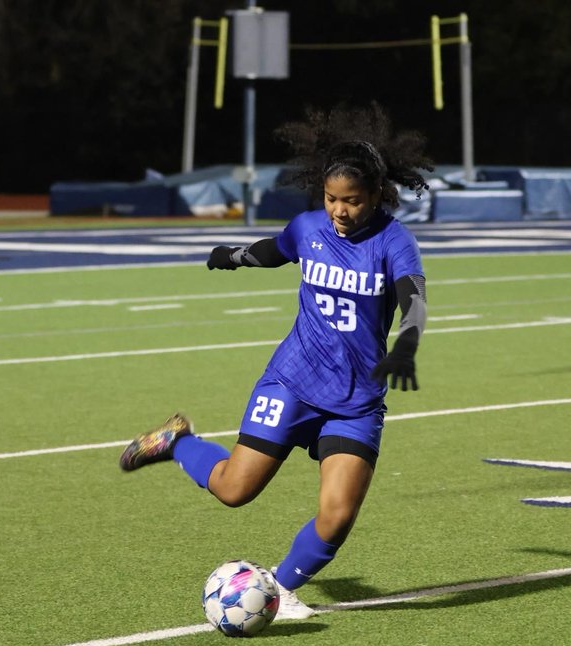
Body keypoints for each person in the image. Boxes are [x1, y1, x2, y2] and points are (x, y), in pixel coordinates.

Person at [118, 104, 433, 620]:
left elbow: (413, 299)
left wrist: (406, 344)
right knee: (234, 490)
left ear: (377, 195)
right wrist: (236, 256)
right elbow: (278, 249)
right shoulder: (309, 227)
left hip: (355, 402)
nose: (340, 210)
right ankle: (180, 442)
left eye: (352, 201)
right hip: (292, 382)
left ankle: (279, 588)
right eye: (332, 198)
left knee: (337, 516)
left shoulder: (394, 242)